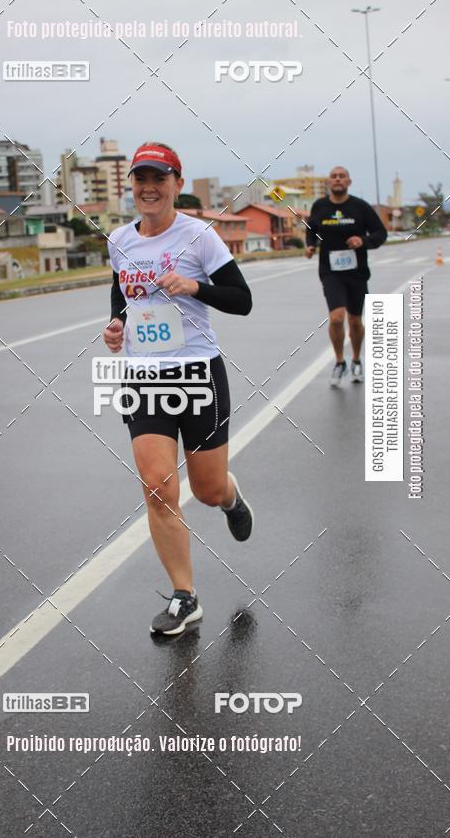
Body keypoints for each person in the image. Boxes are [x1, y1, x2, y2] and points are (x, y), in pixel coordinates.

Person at [103, 142, 253, 636]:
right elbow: (122, 293)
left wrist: (195, 287)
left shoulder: (199, 237)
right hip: (144, 376)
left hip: (198, 374)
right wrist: (116, 325)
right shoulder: (119, 240)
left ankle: (229, 497)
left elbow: (242, 300)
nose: (149, 187)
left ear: (177, 184)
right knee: (158, 487)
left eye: (159, 178)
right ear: (131, 184)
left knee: (206, 489)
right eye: (141, 178)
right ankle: (185, 597)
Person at [306, 165, 387, 387]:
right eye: (334, 176)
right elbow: (311, 230)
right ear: (328, 182)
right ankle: (340, 361)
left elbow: (381, 233)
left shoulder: (360, 207)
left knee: (355, 321)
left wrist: (363, 241)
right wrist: (310, 245)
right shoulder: (320, 206)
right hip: (330, 272)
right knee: (336, 318)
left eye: (342, 176)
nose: (338, 179)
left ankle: (356, 359)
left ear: (349, 182)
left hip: (357, 273)